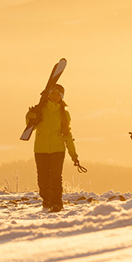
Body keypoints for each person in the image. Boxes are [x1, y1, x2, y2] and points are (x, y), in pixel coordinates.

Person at [25, 83, 81, 212]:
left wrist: (74, 155)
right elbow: (31, 127)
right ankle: (47, 200)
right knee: (43, 179)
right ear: (48, 94)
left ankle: (56, 203)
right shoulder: (40, 110)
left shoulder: (64, 114)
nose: (55, 96)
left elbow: (67, 135)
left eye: (58, 94)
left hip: (58, 149)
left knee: (55, 178)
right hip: (40, 149)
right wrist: (30, 116)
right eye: (53, 93)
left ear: (61, 97)